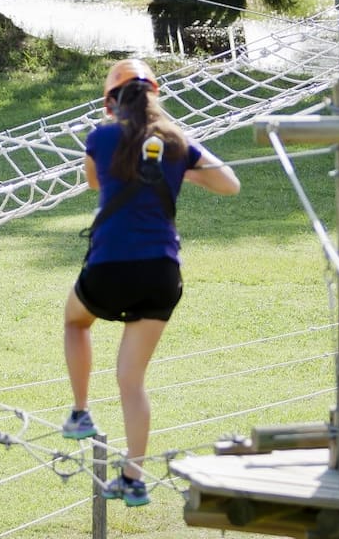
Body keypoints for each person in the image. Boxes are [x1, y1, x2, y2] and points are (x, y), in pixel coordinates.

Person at [62, 58, 240, 506]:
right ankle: (133, 478)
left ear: (110, 103)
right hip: (161, 272)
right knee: (131, 378)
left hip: (111, 265)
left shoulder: (101, 137)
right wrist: (181, 167)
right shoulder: (177, 142)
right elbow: (230, 185)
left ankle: (81, 413)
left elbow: (93, 183)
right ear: (155, 96)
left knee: (76, 321)